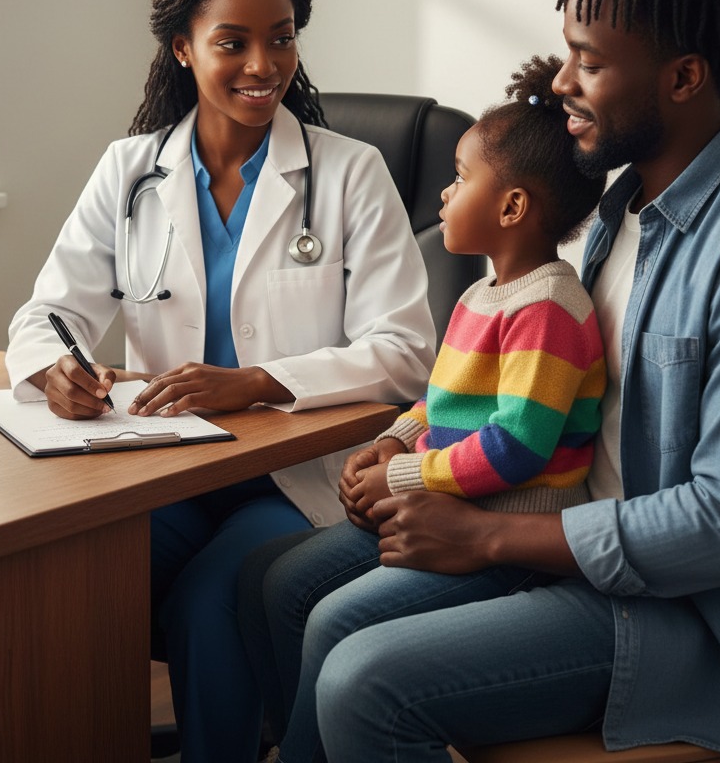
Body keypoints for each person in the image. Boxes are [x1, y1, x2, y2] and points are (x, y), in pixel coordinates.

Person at [240, 0, 720, 763]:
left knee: (363, 677)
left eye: (592, 62)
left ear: (684, 76)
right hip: (557, 535)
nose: (567, 82)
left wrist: (490, 537)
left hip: (667, 618)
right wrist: (415, 458)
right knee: (280, 588)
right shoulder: (622, 208)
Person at [4, 0, 436, 763]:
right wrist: (53, 367)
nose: (262, 64)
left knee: (212, 599)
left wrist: (257, 382)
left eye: (280, 37)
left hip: (294, 475)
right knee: (60, 570)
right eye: (231, 42)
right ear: (182, 48)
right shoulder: (131, 172)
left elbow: (407, 351)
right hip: (167, 464)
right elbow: (47, 312)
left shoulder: (350, 173)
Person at [241, 54, 607, 763]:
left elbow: (517, 447)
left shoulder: (550, 307)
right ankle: (299, 741)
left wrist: (404, 479)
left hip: (501, 534)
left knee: (330, 621)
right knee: (269, 576)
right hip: (442, 501)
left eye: (461, 178)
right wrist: (392, 441)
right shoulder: (479, 295)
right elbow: (438, 396)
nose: (442, 195)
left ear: (512, 207)